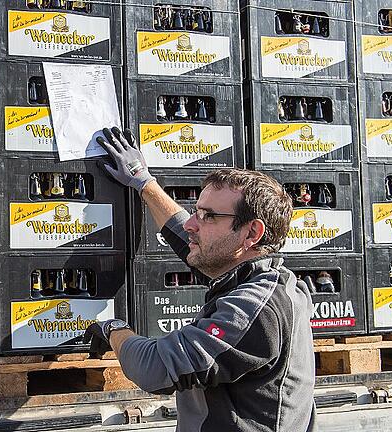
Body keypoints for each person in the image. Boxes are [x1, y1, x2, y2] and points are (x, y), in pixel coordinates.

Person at [83, 127, 316, 432]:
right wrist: (143, 181)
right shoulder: (261, 279)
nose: (193, 223)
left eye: (207, 216)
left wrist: (115, 329)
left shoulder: (255, 310)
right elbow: (187, 236)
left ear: (251, 233)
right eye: (196, 212)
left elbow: (154, 369)